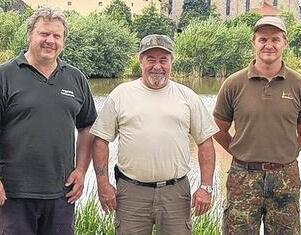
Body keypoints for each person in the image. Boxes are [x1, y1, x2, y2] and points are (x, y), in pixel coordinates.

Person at [90, 34, 219, 234]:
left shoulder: (188, 97)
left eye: (163, 60)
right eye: (151, 59)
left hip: (175, 193)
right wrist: (103, 183)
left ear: (171, 62)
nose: (157, 66)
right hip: (131, 192)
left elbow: (205, 143)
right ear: (140, 61)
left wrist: (206, 187)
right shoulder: (120, 95)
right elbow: (100, 141)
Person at [213, 16, 301, 234]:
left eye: (275, 39)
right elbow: (218, 128)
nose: (269, 45)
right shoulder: (233, 83)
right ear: (254, 42)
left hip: (285, 177)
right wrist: (239, 151)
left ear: (285, 43)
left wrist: (284, 154)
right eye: (262, 39)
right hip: (243, 175)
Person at [0, 6, 97, 235]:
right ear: (30, 35)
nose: (50, 40)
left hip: (62, 194)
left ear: (63, 41)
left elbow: (88, 126)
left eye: (57, 36)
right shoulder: (5, 76)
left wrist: (81, 170)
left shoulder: (75, 78)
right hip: (13, 195)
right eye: (44, 34)